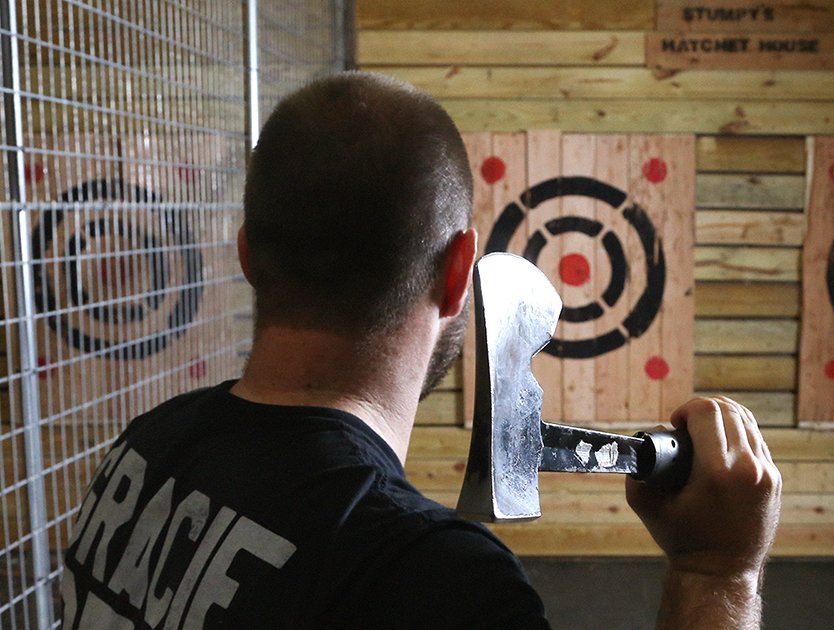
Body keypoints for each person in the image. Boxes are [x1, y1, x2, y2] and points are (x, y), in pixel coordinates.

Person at [60, 72, 781, 629]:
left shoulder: (148, 448)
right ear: (459, 268)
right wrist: (717, 574)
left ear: (247, 254)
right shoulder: (430, 578)